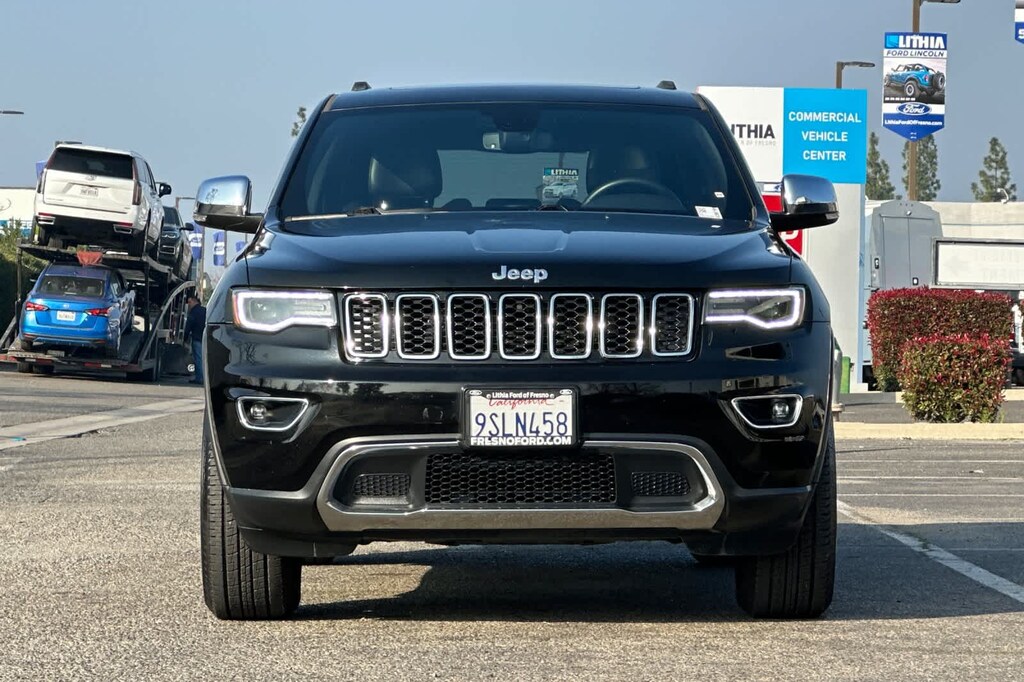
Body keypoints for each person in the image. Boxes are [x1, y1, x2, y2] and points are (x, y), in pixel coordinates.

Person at [183, 294, 206, 385]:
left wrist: (185, 338)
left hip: (196, 337)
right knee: (202, 359)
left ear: (194, 301)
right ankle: (203, 377)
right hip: (204, 337)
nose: (189, 305)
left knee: (198, 359)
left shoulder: (193, 312)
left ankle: (199, 378)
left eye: (189, 302)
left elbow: (189, 325)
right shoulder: (205, 310)